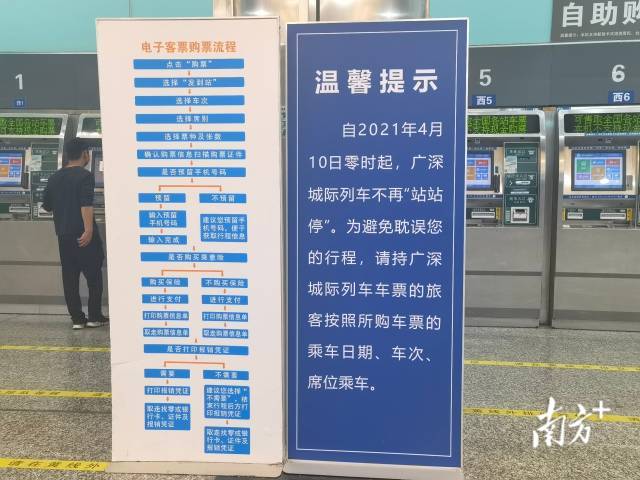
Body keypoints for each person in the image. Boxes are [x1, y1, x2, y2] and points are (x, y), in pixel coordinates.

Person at [42, 139, 109, 329]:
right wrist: (88, 230)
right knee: (94, 277)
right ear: (85, 154)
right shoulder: (85, 176)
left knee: (70, 278)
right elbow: (85, 204)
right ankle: (94, 316)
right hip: (84, 235)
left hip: (64, 235)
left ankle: (77, 319)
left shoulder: (54, 177)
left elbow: (47, 206)